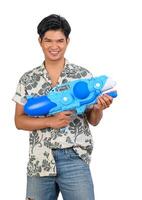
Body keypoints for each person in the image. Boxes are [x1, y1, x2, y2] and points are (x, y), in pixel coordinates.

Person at [13, 14, 113, 200]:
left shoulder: (83, 75)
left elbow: (93, 120)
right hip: (39, 161)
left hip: (75, 158)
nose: (54, 46)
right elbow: (19, 121)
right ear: (40, 41)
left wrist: (99, 108)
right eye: (48, 40)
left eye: (60, 40)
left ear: (67, 41)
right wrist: (50, 121)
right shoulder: (27, 80)